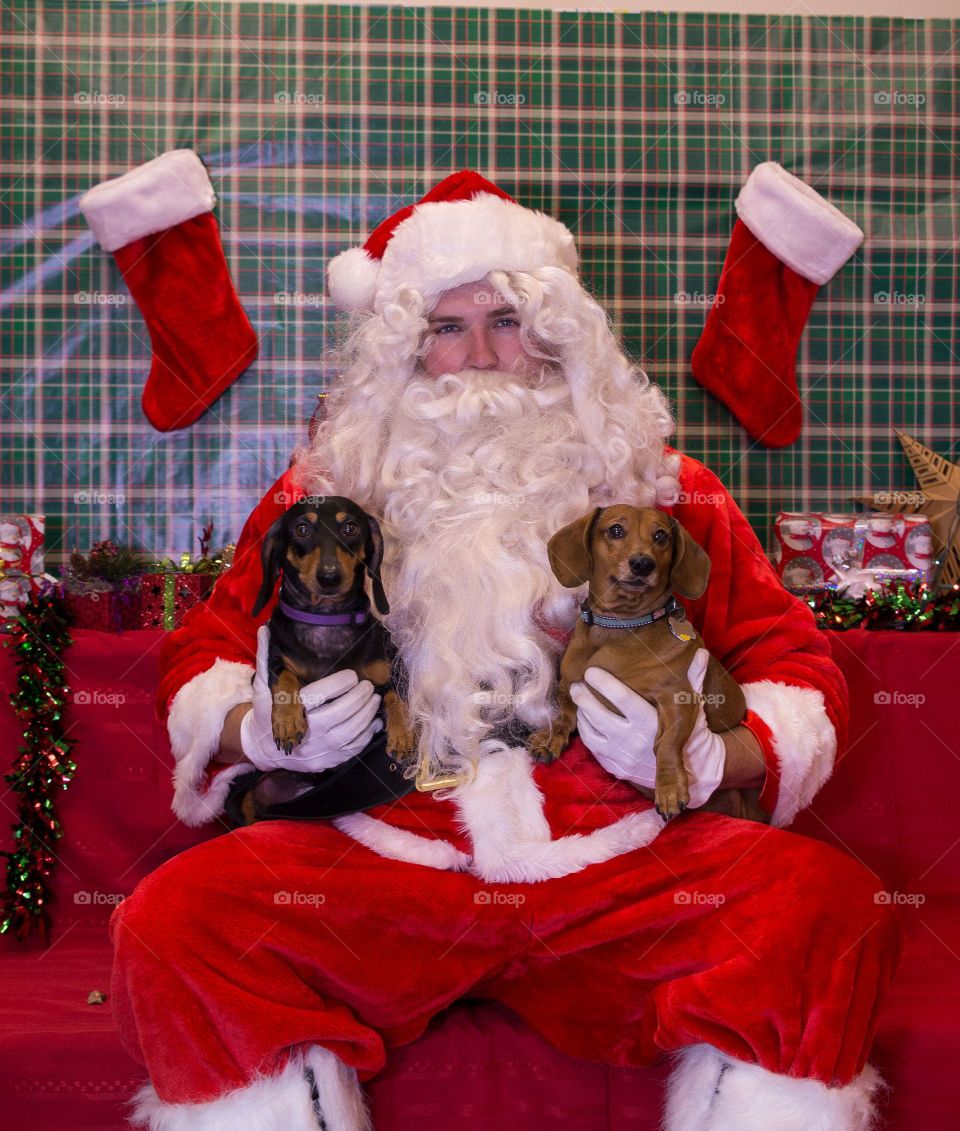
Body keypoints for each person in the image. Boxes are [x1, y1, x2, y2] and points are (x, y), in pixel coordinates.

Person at [110, 171, 901, 1131]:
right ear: (406, 350)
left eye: (508, 320)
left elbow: (792, 663)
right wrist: (259, 734)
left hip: (624, 863)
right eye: (447, 328)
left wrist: (713, 758)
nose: (480, 354)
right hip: (382, 859)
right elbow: (209, 646)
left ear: (558, 334)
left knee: (823, 902)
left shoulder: (662, 486)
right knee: (177, 919)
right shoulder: (328, 489)